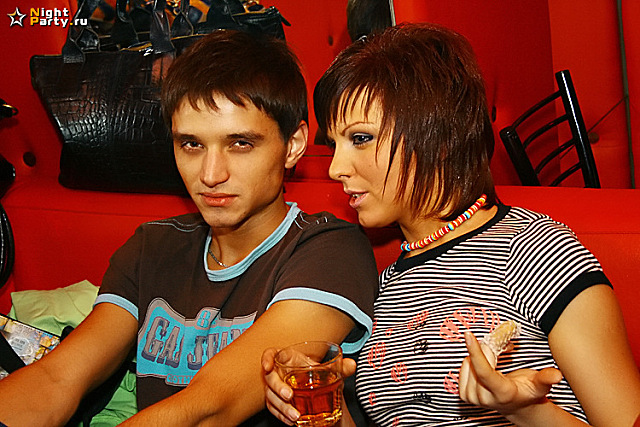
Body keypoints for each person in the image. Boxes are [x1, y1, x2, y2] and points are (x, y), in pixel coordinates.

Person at [262, 23, 640, 426]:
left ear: (440, 138)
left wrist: (524, 409)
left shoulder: (535, 248)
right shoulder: (384, 284)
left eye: (360, 139)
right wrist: (321, 405)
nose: (336, 168)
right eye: (334, 144)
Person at [0, 30, 379, 426]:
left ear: (293, 144)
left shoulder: (329, 250)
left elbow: (209, 407)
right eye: (191, 145)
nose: (211, 175)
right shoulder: (153, 245)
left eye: (240, 144)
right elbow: (57, 378)